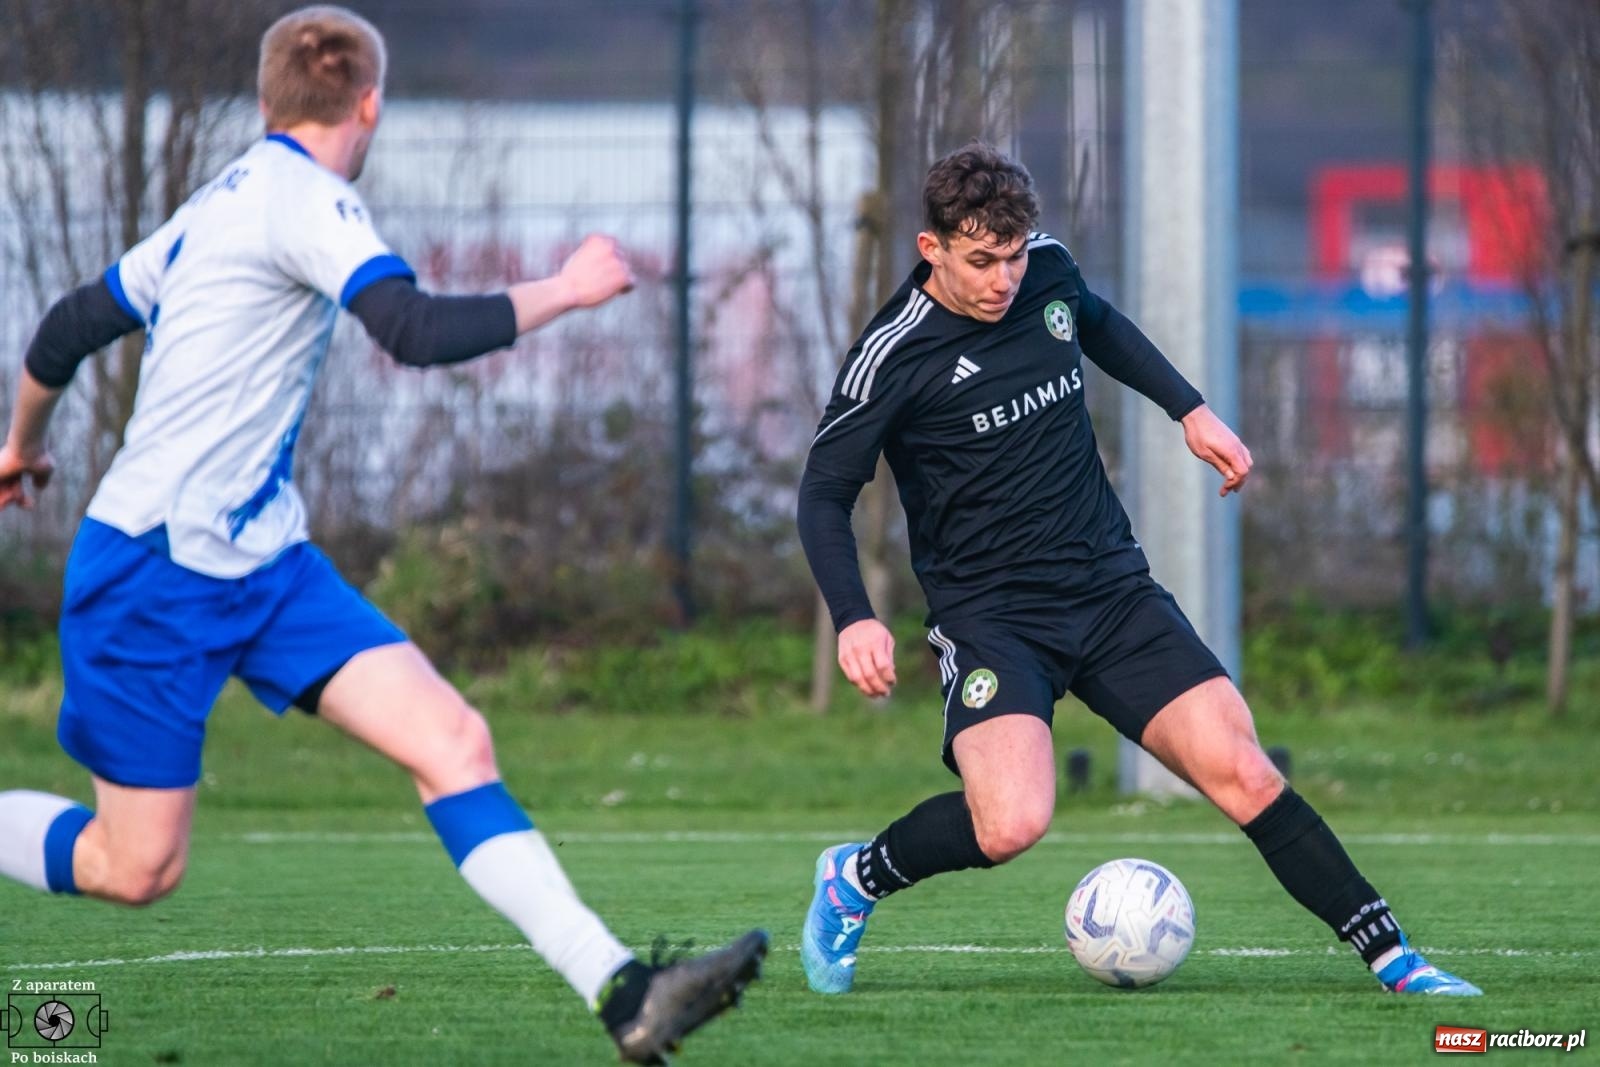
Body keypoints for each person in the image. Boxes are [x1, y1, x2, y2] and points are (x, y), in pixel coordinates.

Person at [0, 7, 764, 1061]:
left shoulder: (215, 204)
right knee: (137, 868)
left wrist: (20, 443)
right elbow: (411, 330)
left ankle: (624, 991)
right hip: (151, 573)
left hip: (263, 563)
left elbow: (67, 327)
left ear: (269, 102)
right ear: (370, 103)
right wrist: (571, 288)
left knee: (452, 740)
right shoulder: (302, 199)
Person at [795, 141, 1479, 999]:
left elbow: (1101, 324)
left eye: (1013, 255)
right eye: (981, 261)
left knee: (1245, 771)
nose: (1005, 278)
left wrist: (1190, 409)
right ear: (931, 249)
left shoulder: (1046, 271)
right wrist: (855, 613)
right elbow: (823, 495)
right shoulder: (891, 355)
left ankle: (1396, 959)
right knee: (1010, 823)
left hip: (1110, 591)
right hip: (993, 618)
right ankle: (853, 879)